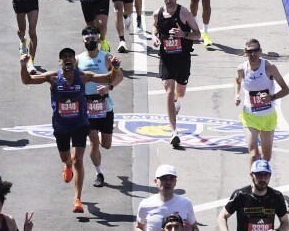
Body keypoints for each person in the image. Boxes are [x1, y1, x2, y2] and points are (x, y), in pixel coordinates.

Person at [18, 47, 116, 214]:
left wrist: (115, 67)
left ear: (74, 61)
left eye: (70, 56)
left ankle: (77, 199)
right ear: (60, 61)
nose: (68, 59)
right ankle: (67, 165)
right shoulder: (53, 77)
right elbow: (27, 81)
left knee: (78, 160)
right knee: (66, 159)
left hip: (80, 124)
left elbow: (108, 78)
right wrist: (23, 66)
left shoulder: (83, 76)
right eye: (64, 57)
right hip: (61, 126)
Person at [153, 0, 202, 149]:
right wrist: (154, 37)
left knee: (179, 93)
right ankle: (174, 132)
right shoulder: (157, 14)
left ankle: (176, 102)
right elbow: (155, 27)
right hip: (166, 58)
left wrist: (183, 34)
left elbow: (198, 34)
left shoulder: (184, 13)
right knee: (168, 90)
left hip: (182, 58)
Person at [76, 27, 124, 188]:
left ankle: (105, 136)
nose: (90, 42)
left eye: (93, 39)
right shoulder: (78, 60)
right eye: (87, 39)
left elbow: (120, 76)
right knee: (94, 142)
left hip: (104, 106)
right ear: (83, 41)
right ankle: (99, 174)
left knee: (106, 144)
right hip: (87, 107)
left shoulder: (106, 57)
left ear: (98, 40)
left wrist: (109, 87)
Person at [234, 40, 289, 165]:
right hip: (250, 116)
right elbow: (237, 81)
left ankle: (261, 172)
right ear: (245, 53)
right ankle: (253, 177)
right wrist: (237, 95)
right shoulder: (242, 69)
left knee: (266, 158)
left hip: (268, 117)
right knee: (253, 155)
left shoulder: (269, 68)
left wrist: (272, 97)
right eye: (249, 51)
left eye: (255, 51)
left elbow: (286, 90)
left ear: (260, 52)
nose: (253, 54)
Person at [221, 160, 289, 231]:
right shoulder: (241, 195)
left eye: (266, 175)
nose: (263, 179)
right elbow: (222, 216)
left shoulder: (276, 196)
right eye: (259, 175)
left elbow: (285, 223)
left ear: (270, 176)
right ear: (251, 175)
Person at [135, 164, 197, 231]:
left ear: (175, 182)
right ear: (156, 181)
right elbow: (138, 227)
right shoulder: (145, 204)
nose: (168, 182)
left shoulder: (185, 203)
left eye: (171, 179)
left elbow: (195, 227)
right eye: (164, 178)